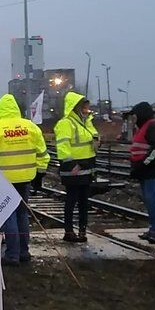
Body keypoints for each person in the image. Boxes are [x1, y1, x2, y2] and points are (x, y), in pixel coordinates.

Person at [0, 94, 49, 266]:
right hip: (25, 178)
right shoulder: (30, 127)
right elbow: (42, 153)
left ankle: (12, 254)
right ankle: (24, 252)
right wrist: (40, 174)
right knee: (22, 215)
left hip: (2, 181)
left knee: (8, 216)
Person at [53, 92, 98, 242]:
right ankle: (69, 231)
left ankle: (82, 231)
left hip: (87, 167)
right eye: (84, 107)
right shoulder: (66, 123)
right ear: (76, 107)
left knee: (84, 201)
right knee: (72, 199)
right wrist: (71, 164)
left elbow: (93, 138)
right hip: (73, 168)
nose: (87, 109)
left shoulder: (87, 122)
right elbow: (63, 146)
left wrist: (97, 141)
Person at [125, 102, 155, 244]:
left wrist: (145, 162)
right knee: (149, 201)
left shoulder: (152, 126)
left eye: (135, 115)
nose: (134, 118)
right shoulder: (143, 127)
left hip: (152, 171)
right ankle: (153, 229)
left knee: (154, 200)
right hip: (145, 172)